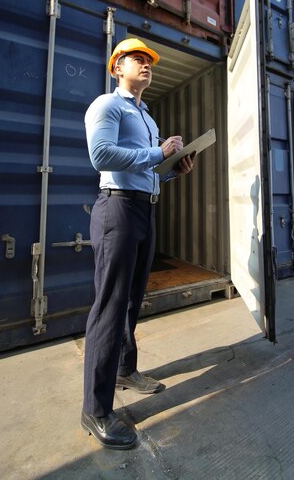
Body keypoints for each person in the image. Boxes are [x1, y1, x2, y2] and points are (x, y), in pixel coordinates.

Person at [81, 38, 195, 450]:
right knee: (109, 306)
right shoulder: (107, 106)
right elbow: (100, 155)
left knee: (132, 301)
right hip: (117, 211)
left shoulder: (147, 116)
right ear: (117, 68)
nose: (147, 65)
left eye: (150, 61)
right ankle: (95, 409)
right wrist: (156, 153)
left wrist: (172, 169)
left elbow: (149, 169)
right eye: (138, 59)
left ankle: (126, 371)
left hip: (145, 208)